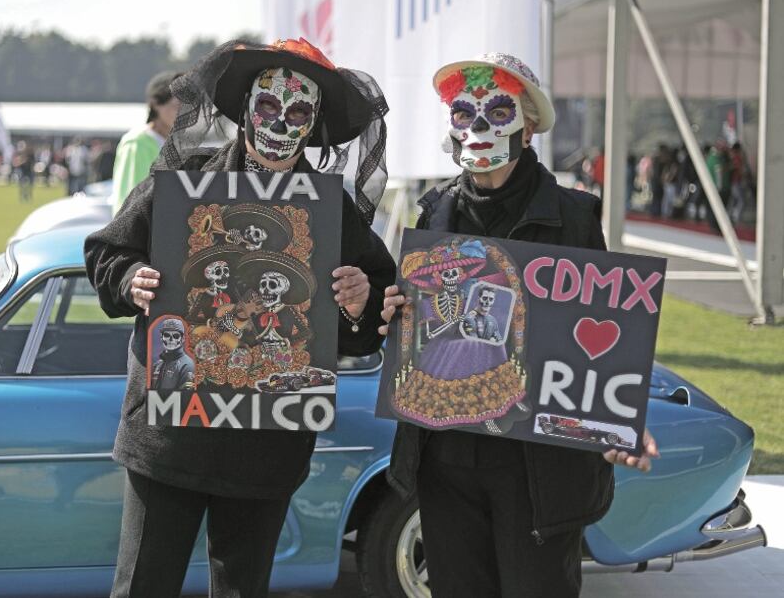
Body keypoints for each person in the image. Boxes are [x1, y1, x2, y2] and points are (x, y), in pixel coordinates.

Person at [84, 38, 394, 598]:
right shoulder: (185, 182)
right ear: (246, 111)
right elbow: (107, 251)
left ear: (314, 123)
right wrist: (131, 280)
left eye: (298, 111)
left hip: (265, 444)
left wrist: (360, 297)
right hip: (171, 434)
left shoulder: (331, 210)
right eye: (269, 107)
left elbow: (377, 306)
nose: (281, 122)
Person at [379, 53, 659, 598]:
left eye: (498, 109)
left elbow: (602, 330)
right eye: (463, 112)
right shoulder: (433, 211)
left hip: (536, 466)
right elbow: (421, 325)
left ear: (528, 125)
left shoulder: (574, 216)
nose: (478, 126)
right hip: (447, 455)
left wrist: (618, 417)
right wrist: (397, 312)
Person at [109, 71, 183, 214]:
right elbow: (131, 202)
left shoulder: (181, 144)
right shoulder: (137, 143)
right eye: (178, 105)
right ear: (156, 104)